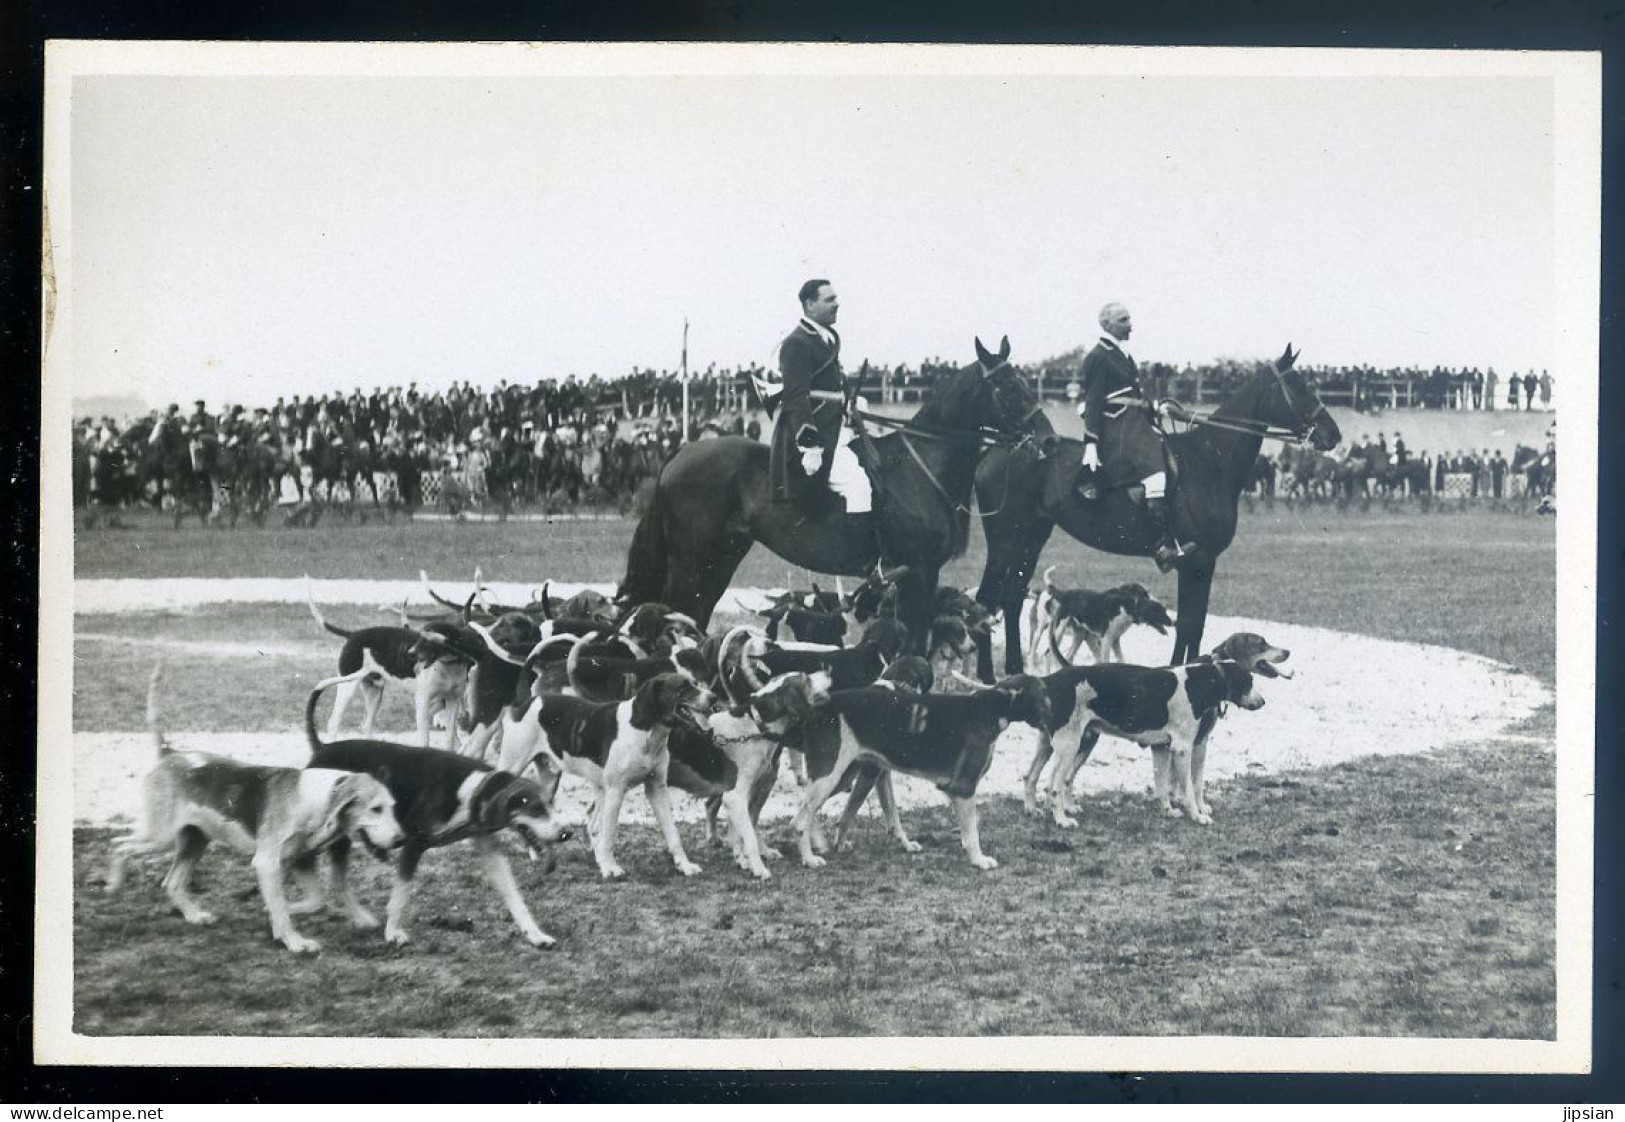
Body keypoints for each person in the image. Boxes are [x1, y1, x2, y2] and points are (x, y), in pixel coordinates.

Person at [765, 279, 888, 564]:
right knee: (858, 486)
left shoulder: (826, 338)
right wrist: (810, 445)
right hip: (816, 437)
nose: (837, 304)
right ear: (810, 304)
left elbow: (831, 388)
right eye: (829, 299)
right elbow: (796, 398)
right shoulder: (796, 343)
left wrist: (851, 404)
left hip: (837, 428)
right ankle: (863, 563)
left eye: (836, 298)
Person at [1072, 302, 1194, 571]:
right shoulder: (1097, 356)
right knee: (1155, 475)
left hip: (1135, 424)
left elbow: (1132, 398)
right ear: (1107, 325)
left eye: (1129, 319)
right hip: (1118, 431)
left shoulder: (1121, 354)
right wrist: (1091, 442)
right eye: (1124, 320)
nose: (1130, 325)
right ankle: (1161, 548)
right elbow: (1093, 401)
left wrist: (1155, 408)